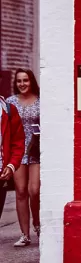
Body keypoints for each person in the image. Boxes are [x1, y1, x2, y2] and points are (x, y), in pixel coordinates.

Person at [1, 71, 28, 247]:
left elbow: (18, 141)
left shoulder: (8, 109)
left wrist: (11, 165)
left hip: (2, 170)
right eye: (19, 80)